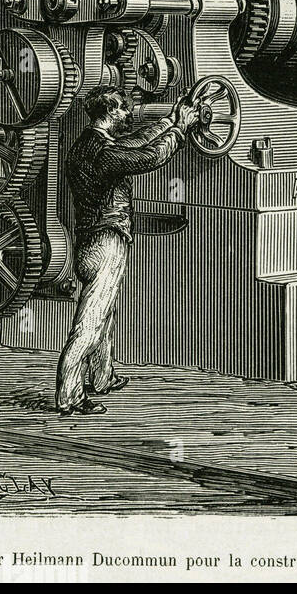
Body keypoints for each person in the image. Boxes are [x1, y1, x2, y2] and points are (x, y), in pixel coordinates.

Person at [55, 88, 196, 415]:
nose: (129, 113)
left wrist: (171, 120)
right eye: (122, 108)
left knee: (105, 315)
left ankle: (102, 376)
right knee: (90, 323)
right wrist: (179, 130)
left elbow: (135, 143)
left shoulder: (88, 144)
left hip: (91, 241)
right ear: (108, 112)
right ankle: (70, 395)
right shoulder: (104, 154)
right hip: (107, 242)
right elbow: (147, 158)